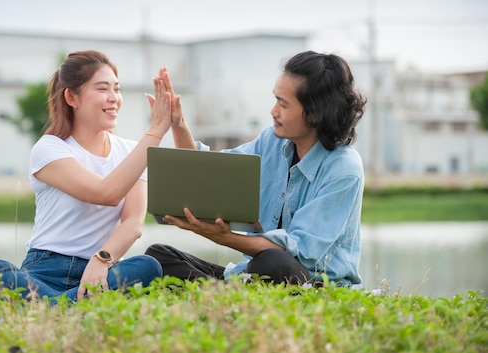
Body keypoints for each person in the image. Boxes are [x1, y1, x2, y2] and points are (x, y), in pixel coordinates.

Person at [145, 50, 367, 288]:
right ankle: (227, 291)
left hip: (313, 283)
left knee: (272, 262)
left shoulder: (344, 169)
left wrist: (224, 238)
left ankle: (221, 292)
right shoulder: (272, 141)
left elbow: (300, 252)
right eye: (275, 100)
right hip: (253, 272)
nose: (273, 111)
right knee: (159, 257)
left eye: (283, 104)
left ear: (315, 112)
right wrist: (178, 123)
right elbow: (210, 173)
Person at [0, 50, 172, 302]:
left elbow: (133, 224)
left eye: (116, 89)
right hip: (43, 272)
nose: (114, 98)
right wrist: (155, 132)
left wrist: (101, 260)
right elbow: (105, 193)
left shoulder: (132, 152)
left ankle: (51, 307)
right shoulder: (50, 148)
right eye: (102, 89)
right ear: (71, 97)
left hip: (99, 271)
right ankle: (70, 305)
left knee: (148, 266)